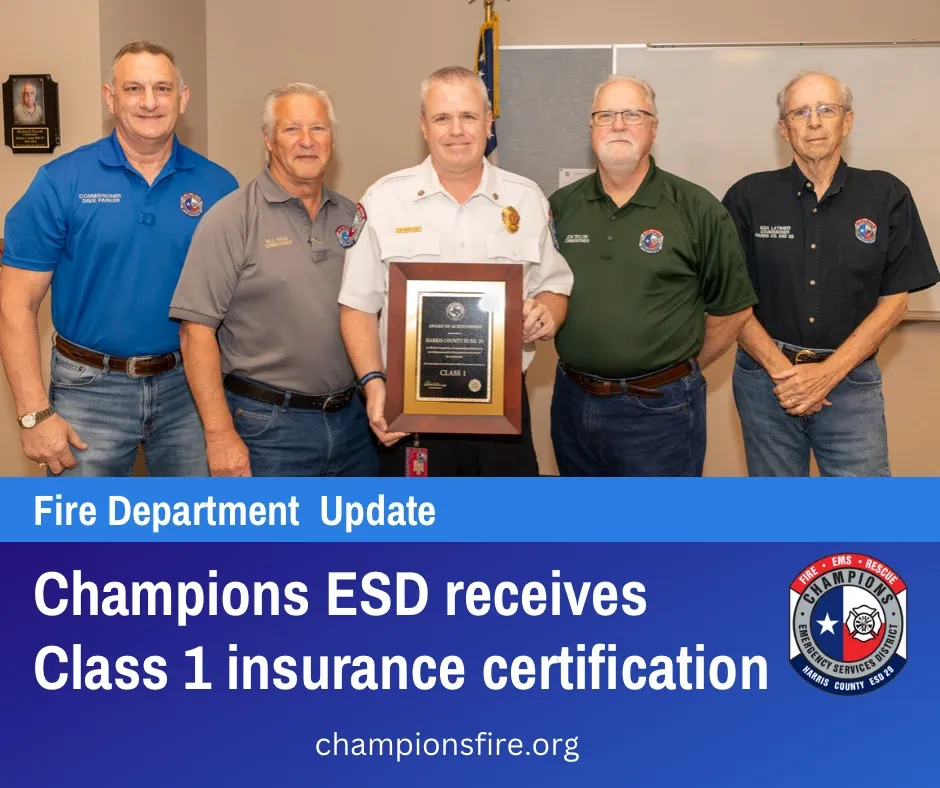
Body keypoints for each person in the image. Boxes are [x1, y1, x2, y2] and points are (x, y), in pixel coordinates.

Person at [0, 41, 237, 476]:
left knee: (195, 533)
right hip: (88, 391)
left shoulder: (219, 187)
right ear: (110, 98)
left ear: (182, 99)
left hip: (189, 390)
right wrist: (33, 413)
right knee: (82, 539)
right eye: (133, 89)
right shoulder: (60, 182)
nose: (149, 102)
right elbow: (16, 304)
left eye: (163, 89)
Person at [338, 65, 573, 477]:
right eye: (442, 118)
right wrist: (375, 385)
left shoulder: (527, 199)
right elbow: (357, 306)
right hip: (409, 408)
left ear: (488, 121)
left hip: (502, 408)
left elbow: (554, 285)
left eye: (468, 116)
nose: (456, 130)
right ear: (423, 127)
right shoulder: (384, 199)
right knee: (418, 533)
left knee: (505, 534)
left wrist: (547, 314)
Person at [722, 71, 939, 477]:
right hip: (766, 384)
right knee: (777, 521)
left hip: (851, 384)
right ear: (784, 129)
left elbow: (895, 302)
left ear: (848, 121)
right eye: (800, 112)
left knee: (861, 520)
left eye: (826, 109)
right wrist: (787, 375)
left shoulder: (887, 196)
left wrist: (827, 374)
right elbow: (731, 299)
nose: (814, 121)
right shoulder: (747, 197)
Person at [549, 75, 756, 477]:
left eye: (632, 114)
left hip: (660, 410)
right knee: (581, 531)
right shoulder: (560, 206)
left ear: (654, 128)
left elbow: (732, 310)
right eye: (605, 115)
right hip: (573, 402)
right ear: (591, 127)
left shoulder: (697, 208)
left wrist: (679, 371)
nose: (618, 125)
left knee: (659, 535)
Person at [170, 83, 377, 477]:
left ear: (332, 139)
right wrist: (219, 436)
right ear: (267, 139)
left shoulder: (354, 217)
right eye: (291, 130)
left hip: (353, 426)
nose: (307, 142)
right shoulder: (230, 219)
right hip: (267, 429)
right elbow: (195, 332)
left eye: (318, 129)